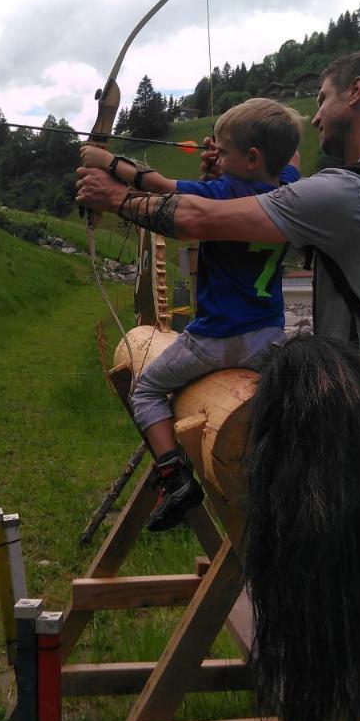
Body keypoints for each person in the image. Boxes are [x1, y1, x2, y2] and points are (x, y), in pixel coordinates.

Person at [76, 50, 360, 721]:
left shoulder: (344, 192)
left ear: (357, 93)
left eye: (322, 96)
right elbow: (213, 192)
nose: (316, 113)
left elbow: (195, 214)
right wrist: (132, 169)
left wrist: (111, 194)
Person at [83, 97, 301, 532]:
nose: (215, 157)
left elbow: (162, 186)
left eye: (223, 151)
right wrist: (231, 149)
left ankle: (174, 476)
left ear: (252, 157)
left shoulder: (221, 193)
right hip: (268, 333)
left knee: (145, 391)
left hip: (217, 338)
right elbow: (289, 151)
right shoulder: (289, 186)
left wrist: (106, 160)